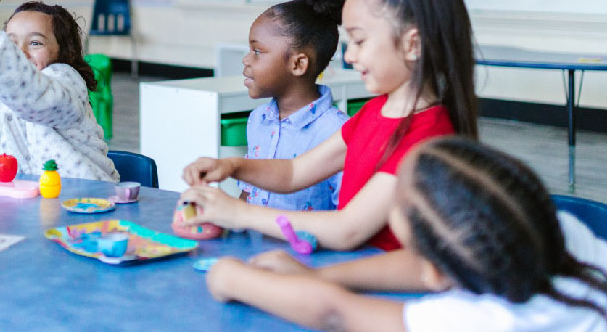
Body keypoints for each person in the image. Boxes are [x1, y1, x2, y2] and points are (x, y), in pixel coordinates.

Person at [181, 0, 477, 250]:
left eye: (360, 42)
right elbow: (295, 172)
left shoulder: (426, 138)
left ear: (412, 44)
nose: (349, 57)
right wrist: (231, 167)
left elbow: (346, 229)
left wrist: (239, 214)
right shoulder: (375, 112)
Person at [205, 137, 607, 332]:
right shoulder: (552, 229)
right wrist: (318, 275)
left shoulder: (480, 321)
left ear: (436, 274)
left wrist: (231, 276)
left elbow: (335, 313)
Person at [0, 0, 118, 182]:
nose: (21, 52)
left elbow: (33, 98)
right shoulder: (0, 106)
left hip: (86, 199)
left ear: (65, 51)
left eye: (35, 43)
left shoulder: (66, 82)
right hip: (33, 202)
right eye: (11, 43)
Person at [236, 0, 349, 211]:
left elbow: (347, 216)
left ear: (298, 64)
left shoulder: (337, 133)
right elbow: (249, 193)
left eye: (257, 51)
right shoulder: (258, 120)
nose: (247, 60)